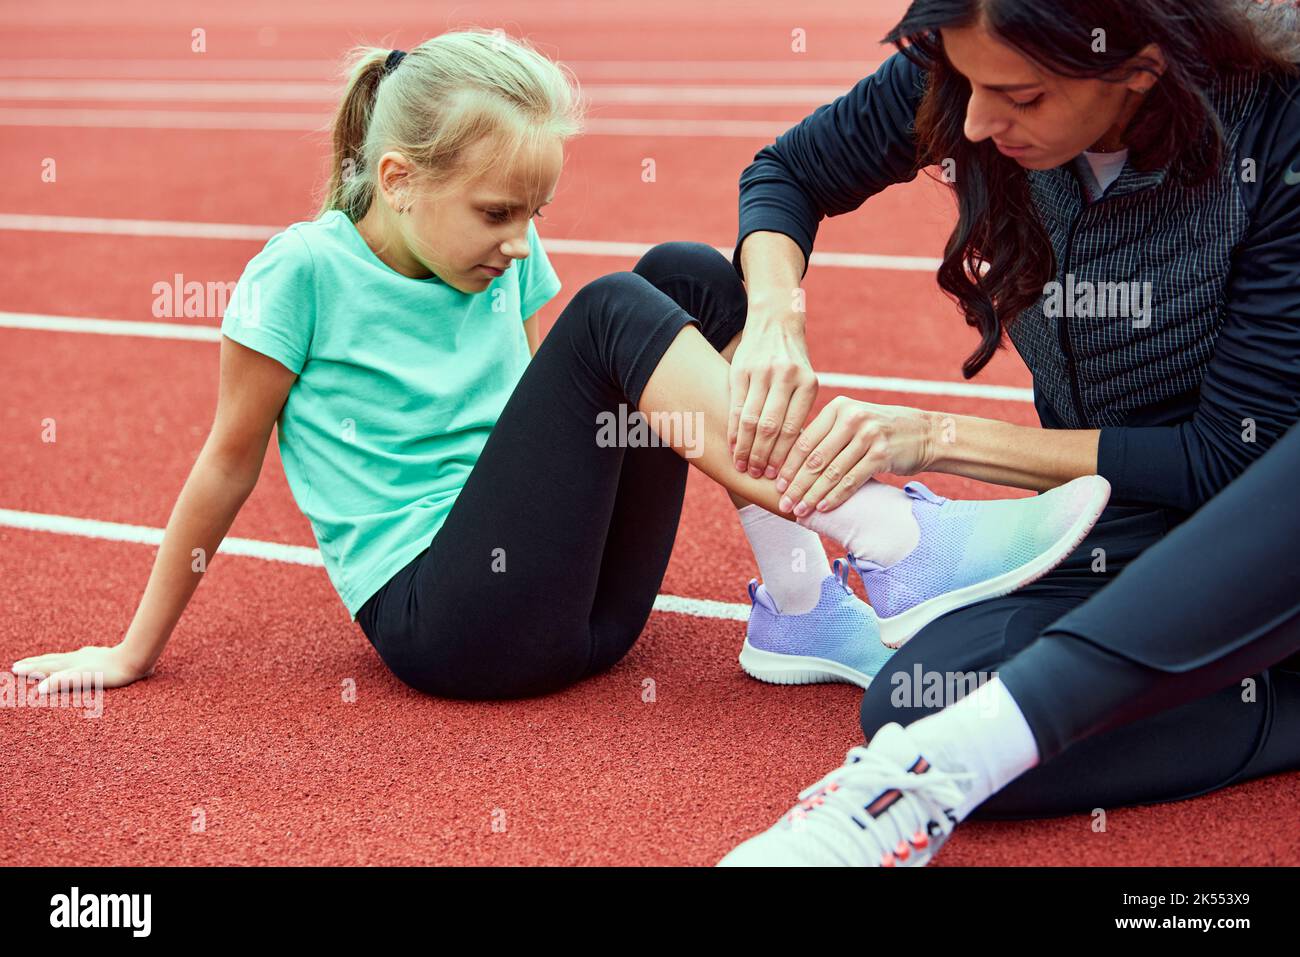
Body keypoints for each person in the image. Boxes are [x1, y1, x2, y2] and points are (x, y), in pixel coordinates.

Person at [11, 30, 1107, 702]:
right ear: (396, 179)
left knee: (685, 275)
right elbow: (222, 467)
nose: (517, 240)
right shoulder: (298, 276)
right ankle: (887, 532)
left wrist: (679, 370)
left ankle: (798, 604)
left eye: (534, 211)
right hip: (451, 630)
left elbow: (563, 418)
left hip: (586, 614)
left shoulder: (495, 248)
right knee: (614, 312)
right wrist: (129, 649)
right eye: (497, 213)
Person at [719, 0, 1300, 865]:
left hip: (1246, 520)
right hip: (1107, 513)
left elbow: (1230, 457)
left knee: (928, 715)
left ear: (1139, 69)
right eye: (965, 84)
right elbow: (788, 172)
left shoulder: (1276, 134)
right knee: (916, 698)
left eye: (1021, 98)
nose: (979, 123)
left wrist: (936, 436)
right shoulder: (972, 68)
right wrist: (773, 313)